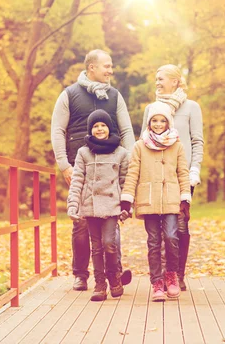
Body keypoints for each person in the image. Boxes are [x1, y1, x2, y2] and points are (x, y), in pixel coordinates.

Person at [51, 49, 135, 291]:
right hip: (81, 165)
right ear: (92, 69)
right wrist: (64, 165)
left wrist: (130, 163)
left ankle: (114, 273)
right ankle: (81, 274)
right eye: (107, 66)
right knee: (82, 222)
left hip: (111, 166)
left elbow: (127, 130)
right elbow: (58, 130)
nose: (111, 70)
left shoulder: (115, 96)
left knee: (112, 216)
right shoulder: (69, 95)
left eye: (111, 66)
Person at [141, 64, 204, 291]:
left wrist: (194, 169)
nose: (157, 82)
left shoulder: (191, 108)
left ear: (175, 81)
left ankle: (177, 273)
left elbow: (197, 141)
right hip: (156, 178)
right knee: (157, 230)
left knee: (180, 227)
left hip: (182, 177)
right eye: (156, 79)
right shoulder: (151, 109)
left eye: (161, 79)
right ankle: (160, 277)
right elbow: (143, 142)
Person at [121, 102, 191, 301]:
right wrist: (127, 199)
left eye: (162, 120)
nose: (158, 124)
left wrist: (185, 197)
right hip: (148, 199)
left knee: (171, 236)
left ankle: (171, 276)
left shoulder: (176, 145)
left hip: (171, 199)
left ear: (168, 123)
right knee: (153, 241)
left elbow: (183, 173)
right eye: (154, 120)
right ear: (149, 123)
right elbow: (132, 173)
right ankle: (157, 283)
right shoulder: (139, 146)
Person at [67, 110, 129, 301]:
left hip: (112, 206)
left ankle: (114, 278)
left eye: (103, 125)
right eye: (95, 126)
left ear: (109, 128)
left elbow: (125, 180)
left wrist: (127, 206)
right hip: (90, 206)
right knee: (96, 247)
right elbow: (77, 180)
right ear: (90, 130)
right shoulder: (83, 152)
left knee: (109, 244)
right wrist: (73, 205)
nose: (99, 129)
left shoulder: (121, 153)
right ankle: (100, 284)